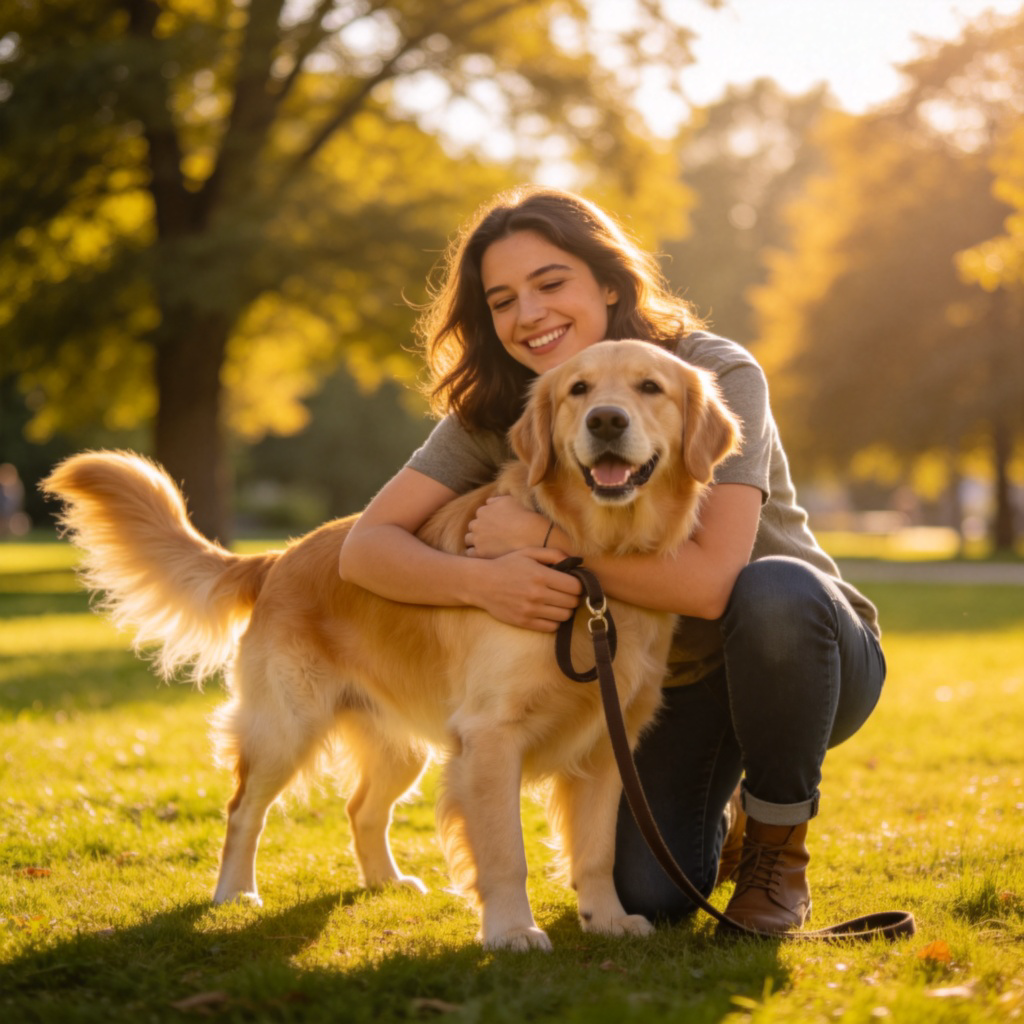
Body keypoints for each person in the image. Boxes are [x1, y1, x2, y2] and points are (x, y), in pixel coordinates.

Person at [338, 185, 885, 933]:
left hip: (801, 657)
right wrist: (483, 578)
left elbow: (708, 583)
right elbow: (365, 549)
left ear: (609, 284)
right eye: (502, 300)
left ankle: (775, 854)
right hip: (666, 695)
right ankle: (710, 818)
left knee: (774, 592)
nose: (528, 314)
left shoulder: (710, 374)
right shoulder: (508, 409)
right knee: (652, 900)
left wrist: (541, 543)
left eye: (550, 283)